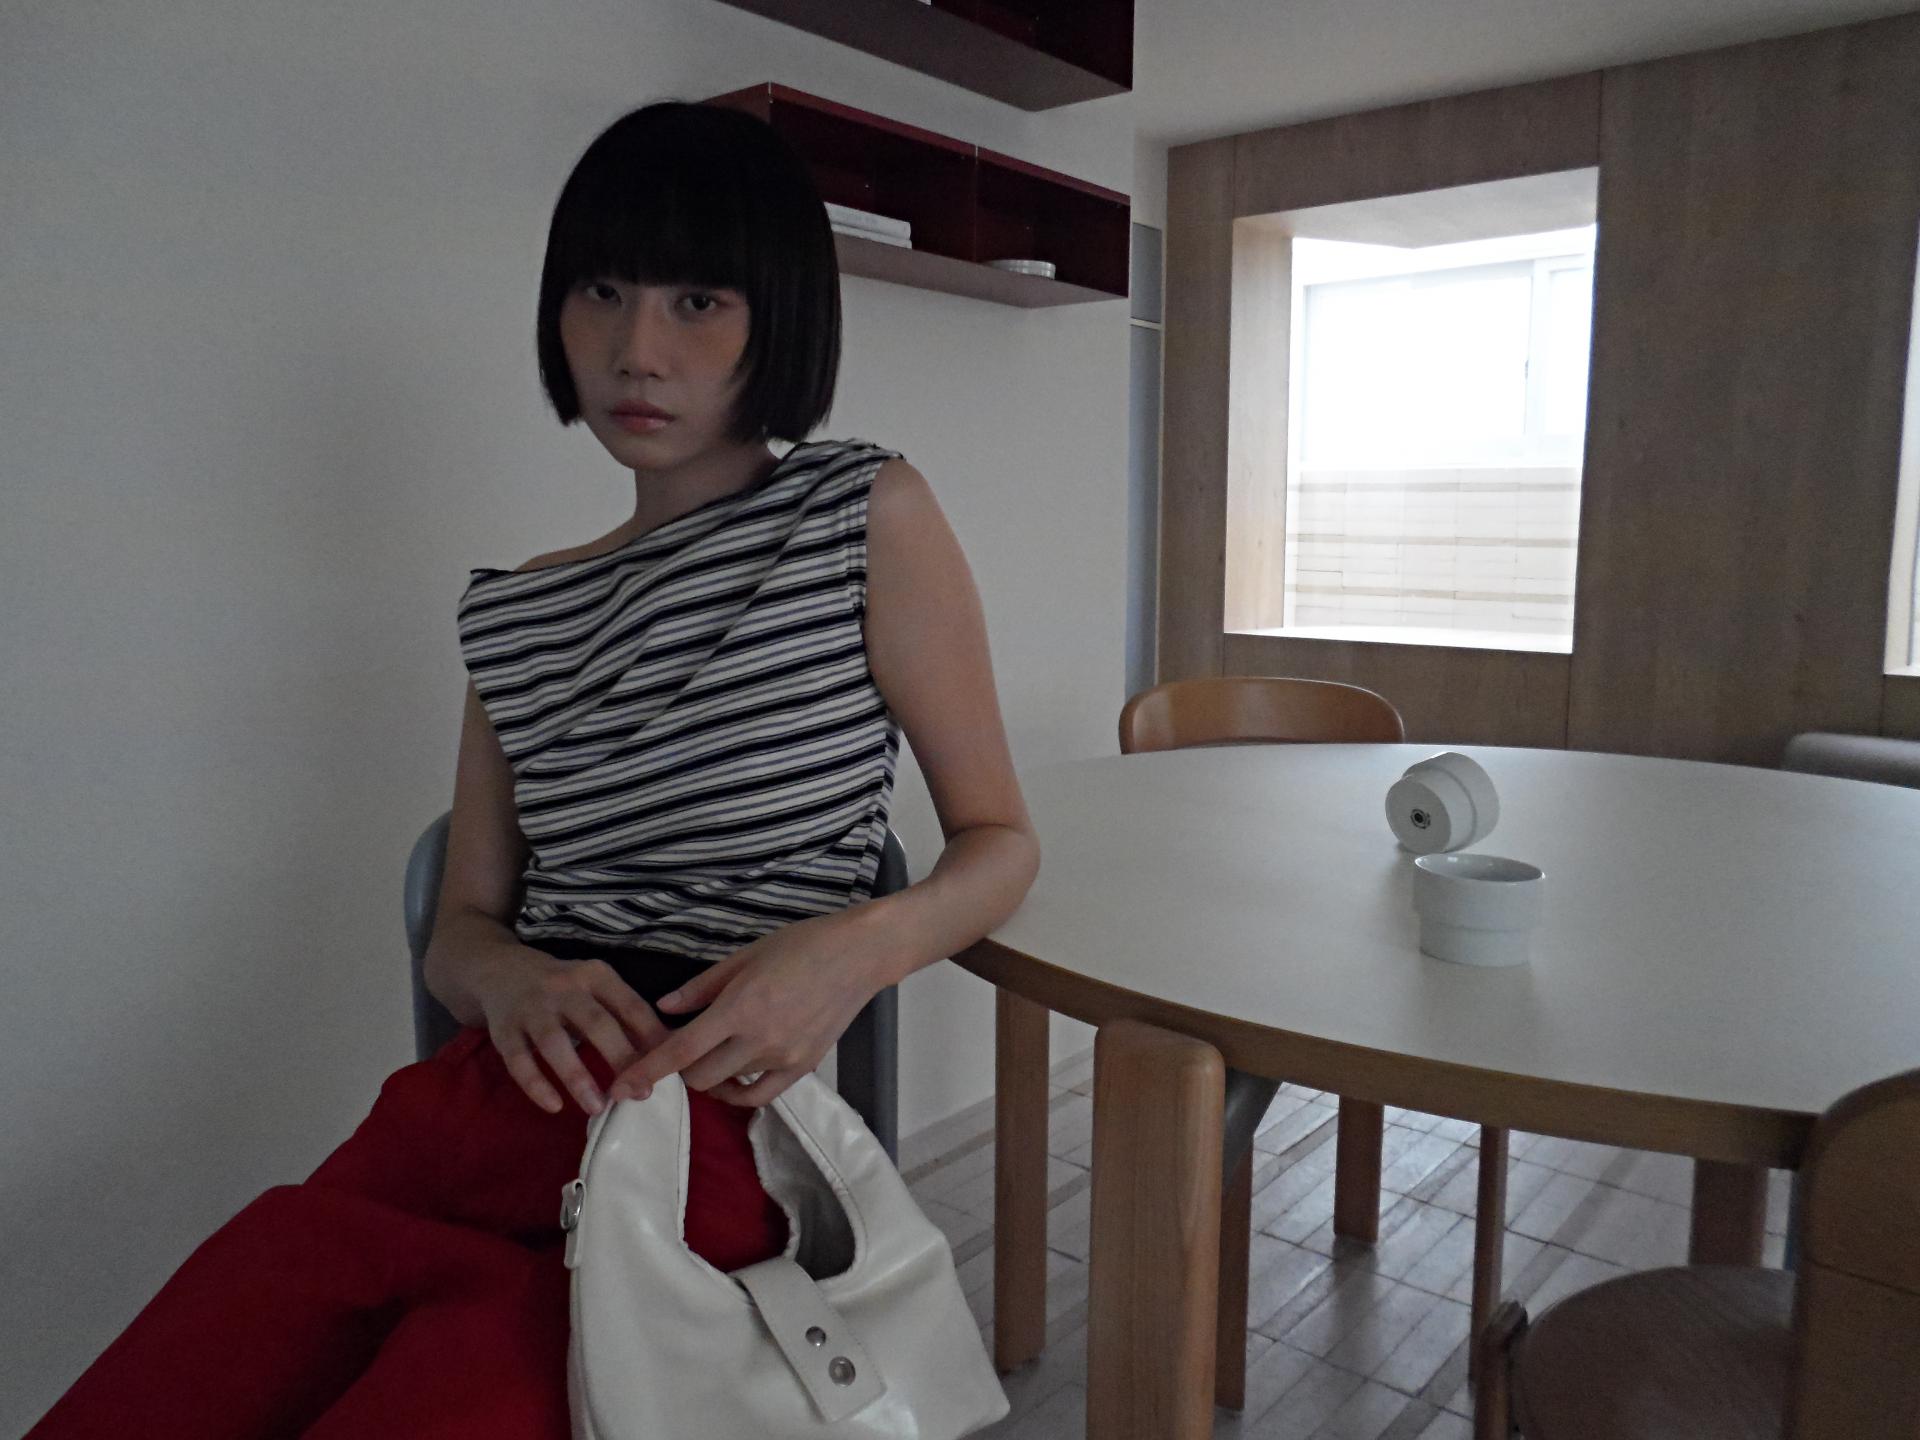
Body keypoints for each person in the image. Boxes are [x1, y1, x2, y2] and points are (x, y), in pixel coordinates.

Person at [27, 99, 1039, 1440]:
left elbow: (999, 840)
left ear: (779, 316)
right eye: (600, 292)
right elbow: (461, 920)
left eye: (698, 301)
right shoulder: (517, 610)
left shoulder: (861, 511)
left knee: (452, 1392)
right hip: (485, 1099)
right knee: (200, 1360)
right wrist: (504, 976)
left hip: (710, 1119)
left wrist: (852, 953)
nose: (635, 348)